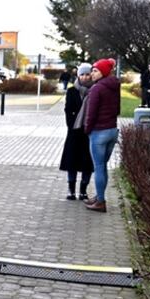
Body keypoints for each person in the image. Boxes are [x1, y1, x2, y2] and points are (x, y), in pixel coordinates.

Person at [83, 58, 120, 213]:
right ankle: (99, 196)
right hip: (112, 131)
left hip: (99, 132)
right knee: (102, 166)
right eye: (92, 70)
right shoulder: (115, 86)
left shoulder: (96, 89)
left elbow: (90, 114)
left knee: (98, 167)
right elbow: (118, 109)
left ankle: (101, 201)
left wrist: (87, 129)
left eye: (96, 70)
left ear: (103, 72)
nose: (92, 73)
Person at [59, 63, 94, 201]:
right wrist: (72, 125)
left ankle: (83, 190)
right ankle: (71, 189)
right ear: (78, 75)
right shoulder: (72, 91)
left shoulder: (95, 90)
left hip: (89, 131)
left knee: (88, 162)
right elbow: (68, 110)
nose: (85, 77)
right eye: (82, 74)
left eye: (87, 74)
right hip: (74, 130)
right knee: (71, 161)